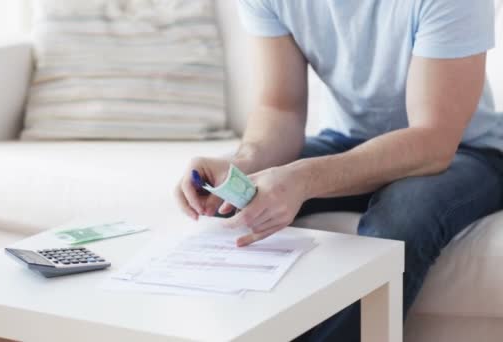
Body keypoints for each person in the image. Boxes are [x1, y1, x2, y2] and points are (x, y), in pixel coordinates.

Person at [174, 0, 503, 341]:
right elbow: (279, 111)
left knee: (398, 223)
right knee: (226, 207)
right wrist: (239, 169)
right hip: (345, 141)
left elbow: (433, 140)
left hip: (464, 150)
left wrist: (304, 179)